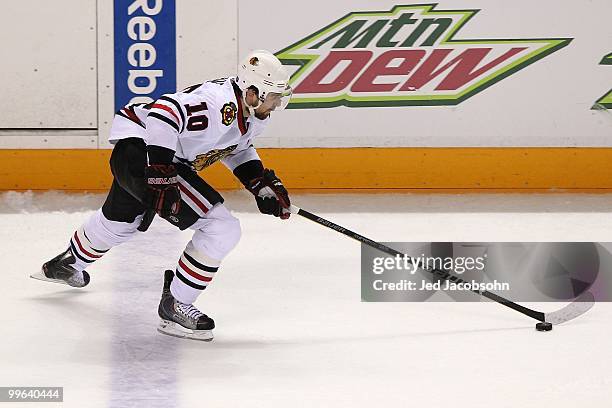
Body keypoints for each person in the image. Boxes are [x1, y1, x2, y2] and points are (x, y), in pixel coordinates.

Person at [31, 50, 293, 341]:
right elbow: (164, 111)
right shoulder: (218, 103)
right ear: (252, 92)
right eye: (274, 96)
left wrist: (258, 183)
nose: (278, 103)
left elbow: (236, 147)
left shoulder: (252, 111)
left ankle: (67, 263)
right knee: (221, 227)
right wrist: (159, 170)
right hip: (146, 151)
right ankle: (176, 304)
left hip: (138, 152)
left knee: (120, 223)